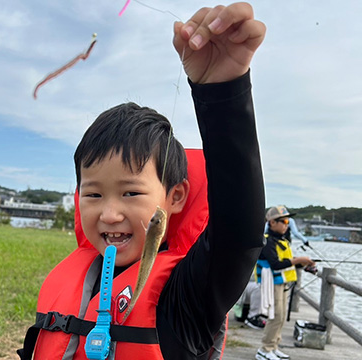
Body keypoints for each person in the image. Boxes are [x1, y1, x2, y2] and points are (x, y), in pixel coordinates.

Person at [18, 3, 266, 359]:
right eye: (93, 194)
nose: (110, 214)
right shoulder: (76, 275)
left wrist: (223, 90)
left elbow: (238, 230)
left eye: (131, 192)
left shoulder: (189, 296)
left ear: (176, 196)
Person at [255, 206, 315, 360]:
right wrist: (299, 260)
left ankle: (274, 346)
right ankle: (265, 349)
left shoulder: (281, 240)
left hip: (281, 282)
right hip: (271, 283)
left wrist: (304, 263)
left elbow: (287, 263)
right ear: (272, 222)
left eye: (288, 221)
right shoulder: (268, 240)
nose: (287, 225)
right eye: (284, 221)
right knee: (275, 316)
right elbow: (276, 264)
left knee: (281, 317)